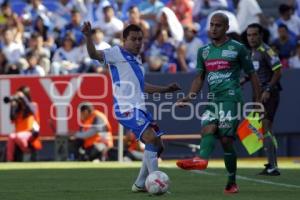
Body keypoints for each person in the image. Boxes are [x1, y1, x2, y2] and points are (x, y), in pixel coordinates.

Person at [82, 22, 181, 192]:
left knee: (157, 143)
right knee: (150, 137)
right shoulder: (115, 52)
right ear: (124, 40)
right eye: (133, 39)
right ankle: (157, 181)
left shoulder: (137, 59)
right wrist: (88, 37)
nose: (137, 43)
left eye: (140, 39)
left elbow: (142, 86)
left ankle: (140, 184)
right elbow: (93, 54)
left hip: (140, 108)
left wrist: (166, 90)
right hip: (125, 108)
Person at [175, 13, 261, 193]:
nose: (213, 28)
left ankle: (231, 181)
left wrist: (257, 100)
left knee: (225, 139)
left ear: (226, 28)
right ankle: (202, 159)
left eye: (218, 25)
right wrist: (190, 97)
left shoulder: (238, 48)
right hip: (213, 99)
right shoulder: (203, 51)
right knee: (207, 128)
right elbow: (199, 78)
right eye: (211, 25)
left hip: (231, 99)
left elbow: (252, 75)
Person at [244, 23, 282, 175]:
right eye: (249, 35)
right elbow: (253, 73)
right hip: (258, 95)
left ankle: (273, 166)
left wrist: (268, 89)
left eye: (254, 35)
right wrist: (242, 80)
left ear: (261, 36)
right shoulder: (251, 52)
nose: (251, 38)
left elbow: (278, 71)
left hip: (269, 94)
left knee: (266, 127)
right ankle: (272, 164)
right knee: (264, 129)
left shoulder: (267, 51)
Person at [5, 86, 42, 161]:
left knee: (18, 136)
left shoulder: (33, 105)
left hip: (31, 132)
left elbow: (32, 111)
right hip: (18, 134)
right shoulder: (17, 108)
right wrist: (12, 106)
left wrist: (23, 98)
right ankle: (9, 160)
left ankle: (27, 152)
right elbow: (12, 118)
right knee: (11, 137)